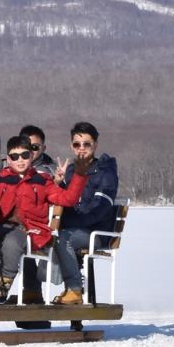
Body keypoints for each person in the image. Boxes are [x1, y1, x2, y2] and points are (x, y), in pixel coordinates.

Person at [0, 137, 86, 304]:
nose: (20, 160)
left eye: (25, 155)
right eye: (15, 156)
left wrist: (79, 176)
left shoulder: (42, 180)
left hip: (29, 230)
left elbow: (67, 199)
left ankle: (3, 286)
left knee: (12, 241)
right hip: (0, 227)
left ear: (31, 156)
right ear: (8, 159)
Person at [50, 123, 120, 305]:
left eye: (86, 144)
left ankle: (74, 290)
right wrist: (59, 185)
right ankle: (33, 291)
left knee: (62, 238)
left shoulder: (105, 173)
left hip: (97, 233)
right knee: (44, 235)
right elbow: (70, 200)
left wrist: (67, 222)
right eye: (77, 144)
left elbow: (99, 210)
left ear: (95, 145)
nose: (81, 149)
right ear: (71, 146)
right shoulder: (72, 170)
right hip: (76, 229)